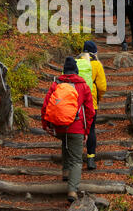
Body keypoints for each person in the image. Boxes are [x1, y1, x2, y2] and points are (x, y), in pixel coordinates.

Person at [41, 56, 95, 203]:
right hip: (77, 128)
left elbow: (46, 105)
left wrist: (45, 125)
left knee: (65, 141)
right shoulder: (83, 86)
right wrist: (86, 131)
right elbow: (90, 111)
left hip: (59, 126)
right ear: (76, 71)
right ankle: (72, 190)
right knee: (77, 160)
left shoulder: (56, 83)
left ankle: (65, 171)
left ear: (64, 70)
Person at [77, 40, 107, 170]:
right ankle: (90, 158)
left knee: (76, 129)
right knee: (91, 129)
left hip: (76, 102)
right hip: (91, 102)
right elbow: (102, 86)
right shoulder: (96, 65)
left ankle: (76, 158)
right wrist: (98, 97)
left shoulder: (76, 62)